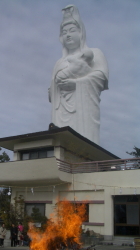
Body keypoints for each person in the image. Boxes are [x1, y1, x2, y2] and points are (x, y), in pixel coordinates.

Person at [49, 5, 109, 145]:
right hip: (61, 111)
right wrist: (54, 89)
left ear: (81, 32)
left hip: (83, 111)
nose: (68, 35)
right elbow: (51, 92)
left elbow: (101, 78)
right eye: (64, 32)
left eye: (72, 30)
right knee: (62, 144)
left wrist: (76, 83)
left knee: (84, 144)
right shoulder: (59, 62)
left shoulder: (95, 53)